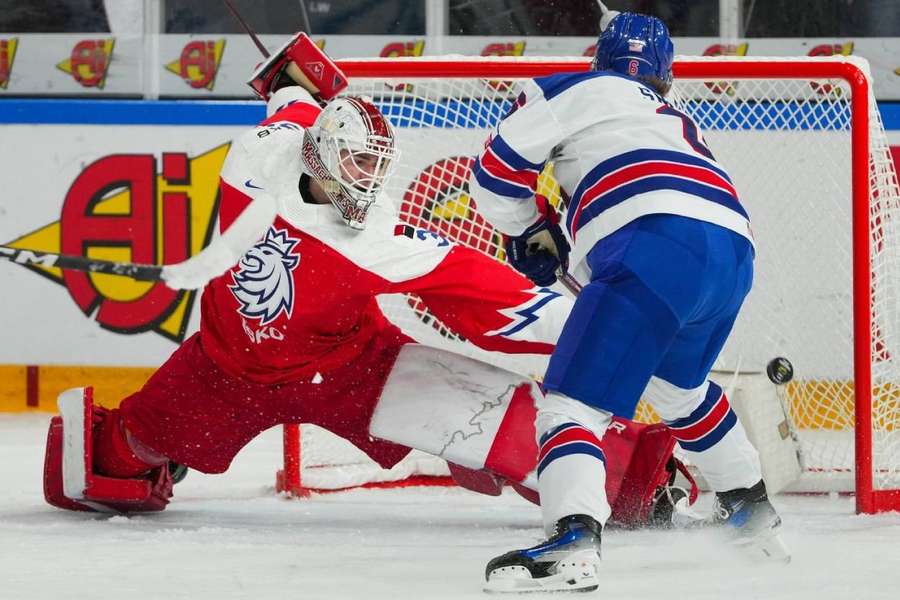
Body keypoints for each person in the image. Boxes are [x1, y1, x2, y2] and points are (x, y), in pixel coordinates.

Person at [41, 32, 578, 515]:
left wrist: (588, 327)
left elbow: (485, 290)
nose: (368, 182)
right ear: (321, 152)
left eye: (376, 166)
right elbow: (292, 108)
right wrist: (293, 84)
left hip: (348, 369)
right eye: (357, 163)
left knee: (503, 432)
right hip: (222, 369)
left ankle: (619, 473)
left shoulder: (366, 228)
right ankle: (159, 457)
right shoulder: (260, 156)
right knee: (112, 462)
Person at [468, 10, 788, 593]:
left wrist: (524, 228)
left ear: (599, 59)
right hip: (732, 253)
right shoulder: (673, 117)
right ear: (664, 76)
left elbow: (494, 172)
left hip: (653, 241)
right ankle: (751, 512)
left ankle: (572, 540)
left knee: (570, 404)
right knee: (679, 389)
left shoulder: (574, 87)